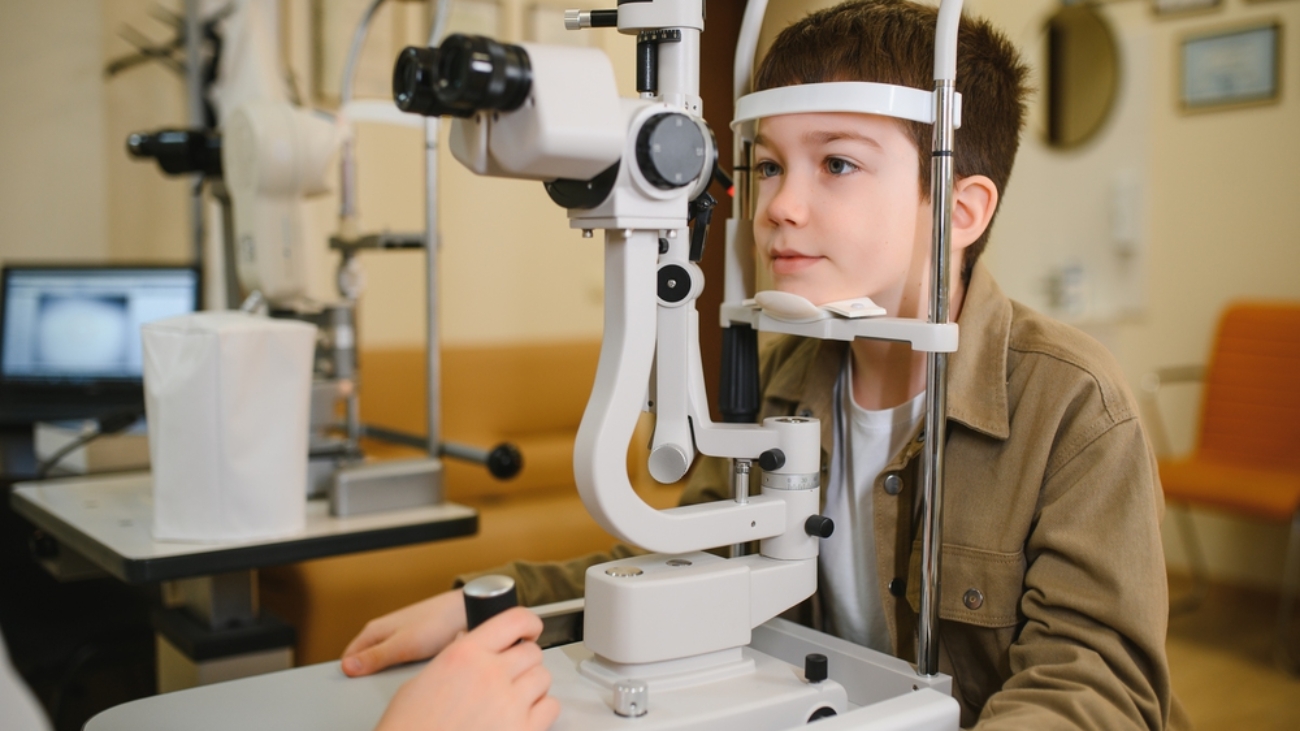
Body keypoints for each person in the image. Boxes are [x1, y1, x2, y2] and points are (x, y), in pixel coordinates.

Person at [344, 2, 1187, 728]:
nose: (780, 205)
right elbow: (695, 563)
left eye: (838, 163)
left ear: (959, 210)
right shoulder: (781, 379)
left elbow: (1094, 688)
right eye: (773, 163)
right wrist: (491, 604)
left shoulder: (1073, 408)